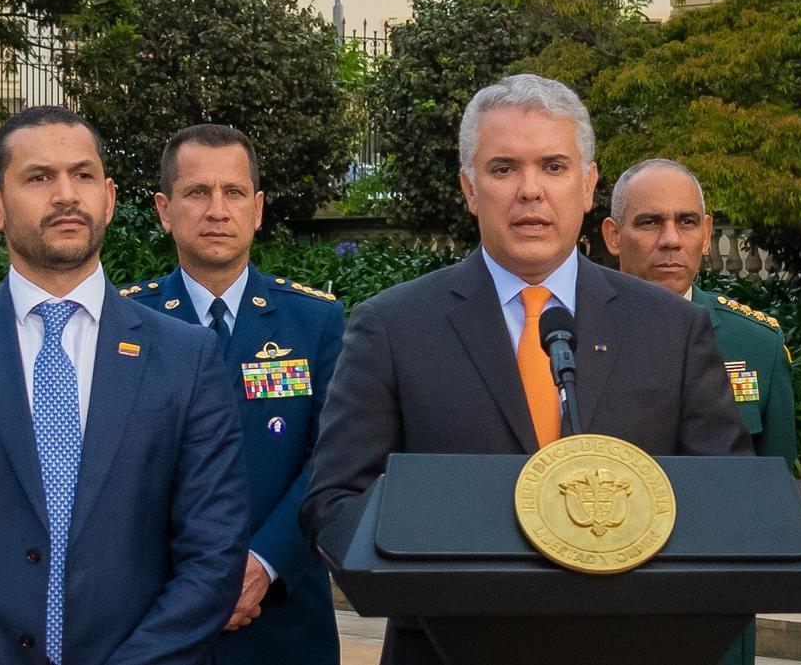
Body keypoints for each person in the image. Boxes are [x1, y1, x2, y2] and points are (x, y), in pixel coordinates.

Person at [301, 74, 751, 665]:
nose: (531, 191)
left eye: (555, 167)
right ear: (469, 187)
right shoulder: (393, 327)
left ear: (589, 186)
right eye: (504, 168)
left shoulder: (670, 327)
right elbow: (334, 503)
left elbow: (728, 499)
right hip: (447, 646)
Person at [0, 106, 249, 664]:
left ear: (108, 198)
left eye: (82, 176)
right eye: (39, 178)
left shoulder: (186, 359)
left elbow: (213, 554)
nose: (66, 195)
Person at [125, 125, 343, 665]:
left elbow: (333, 460)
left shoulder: (313, 321)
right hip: (154, 617)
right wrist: (194, 583)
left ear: (258, 207)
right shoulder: (125, 324)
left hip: (285, 619)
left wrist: (264, 562)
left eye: (234, 193)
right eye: (197, 193)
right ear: (164, 209)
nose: (217, 210)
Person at [601, 157, 795, 665]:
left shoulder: (756, 343)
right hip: (602, 608)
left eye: (686, 222)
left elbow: (772, 495)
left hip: (716, 617)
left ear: (706, 234)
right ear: (613, 235)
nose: (671, 239)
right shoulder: (569, 334)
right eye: (649, 222)